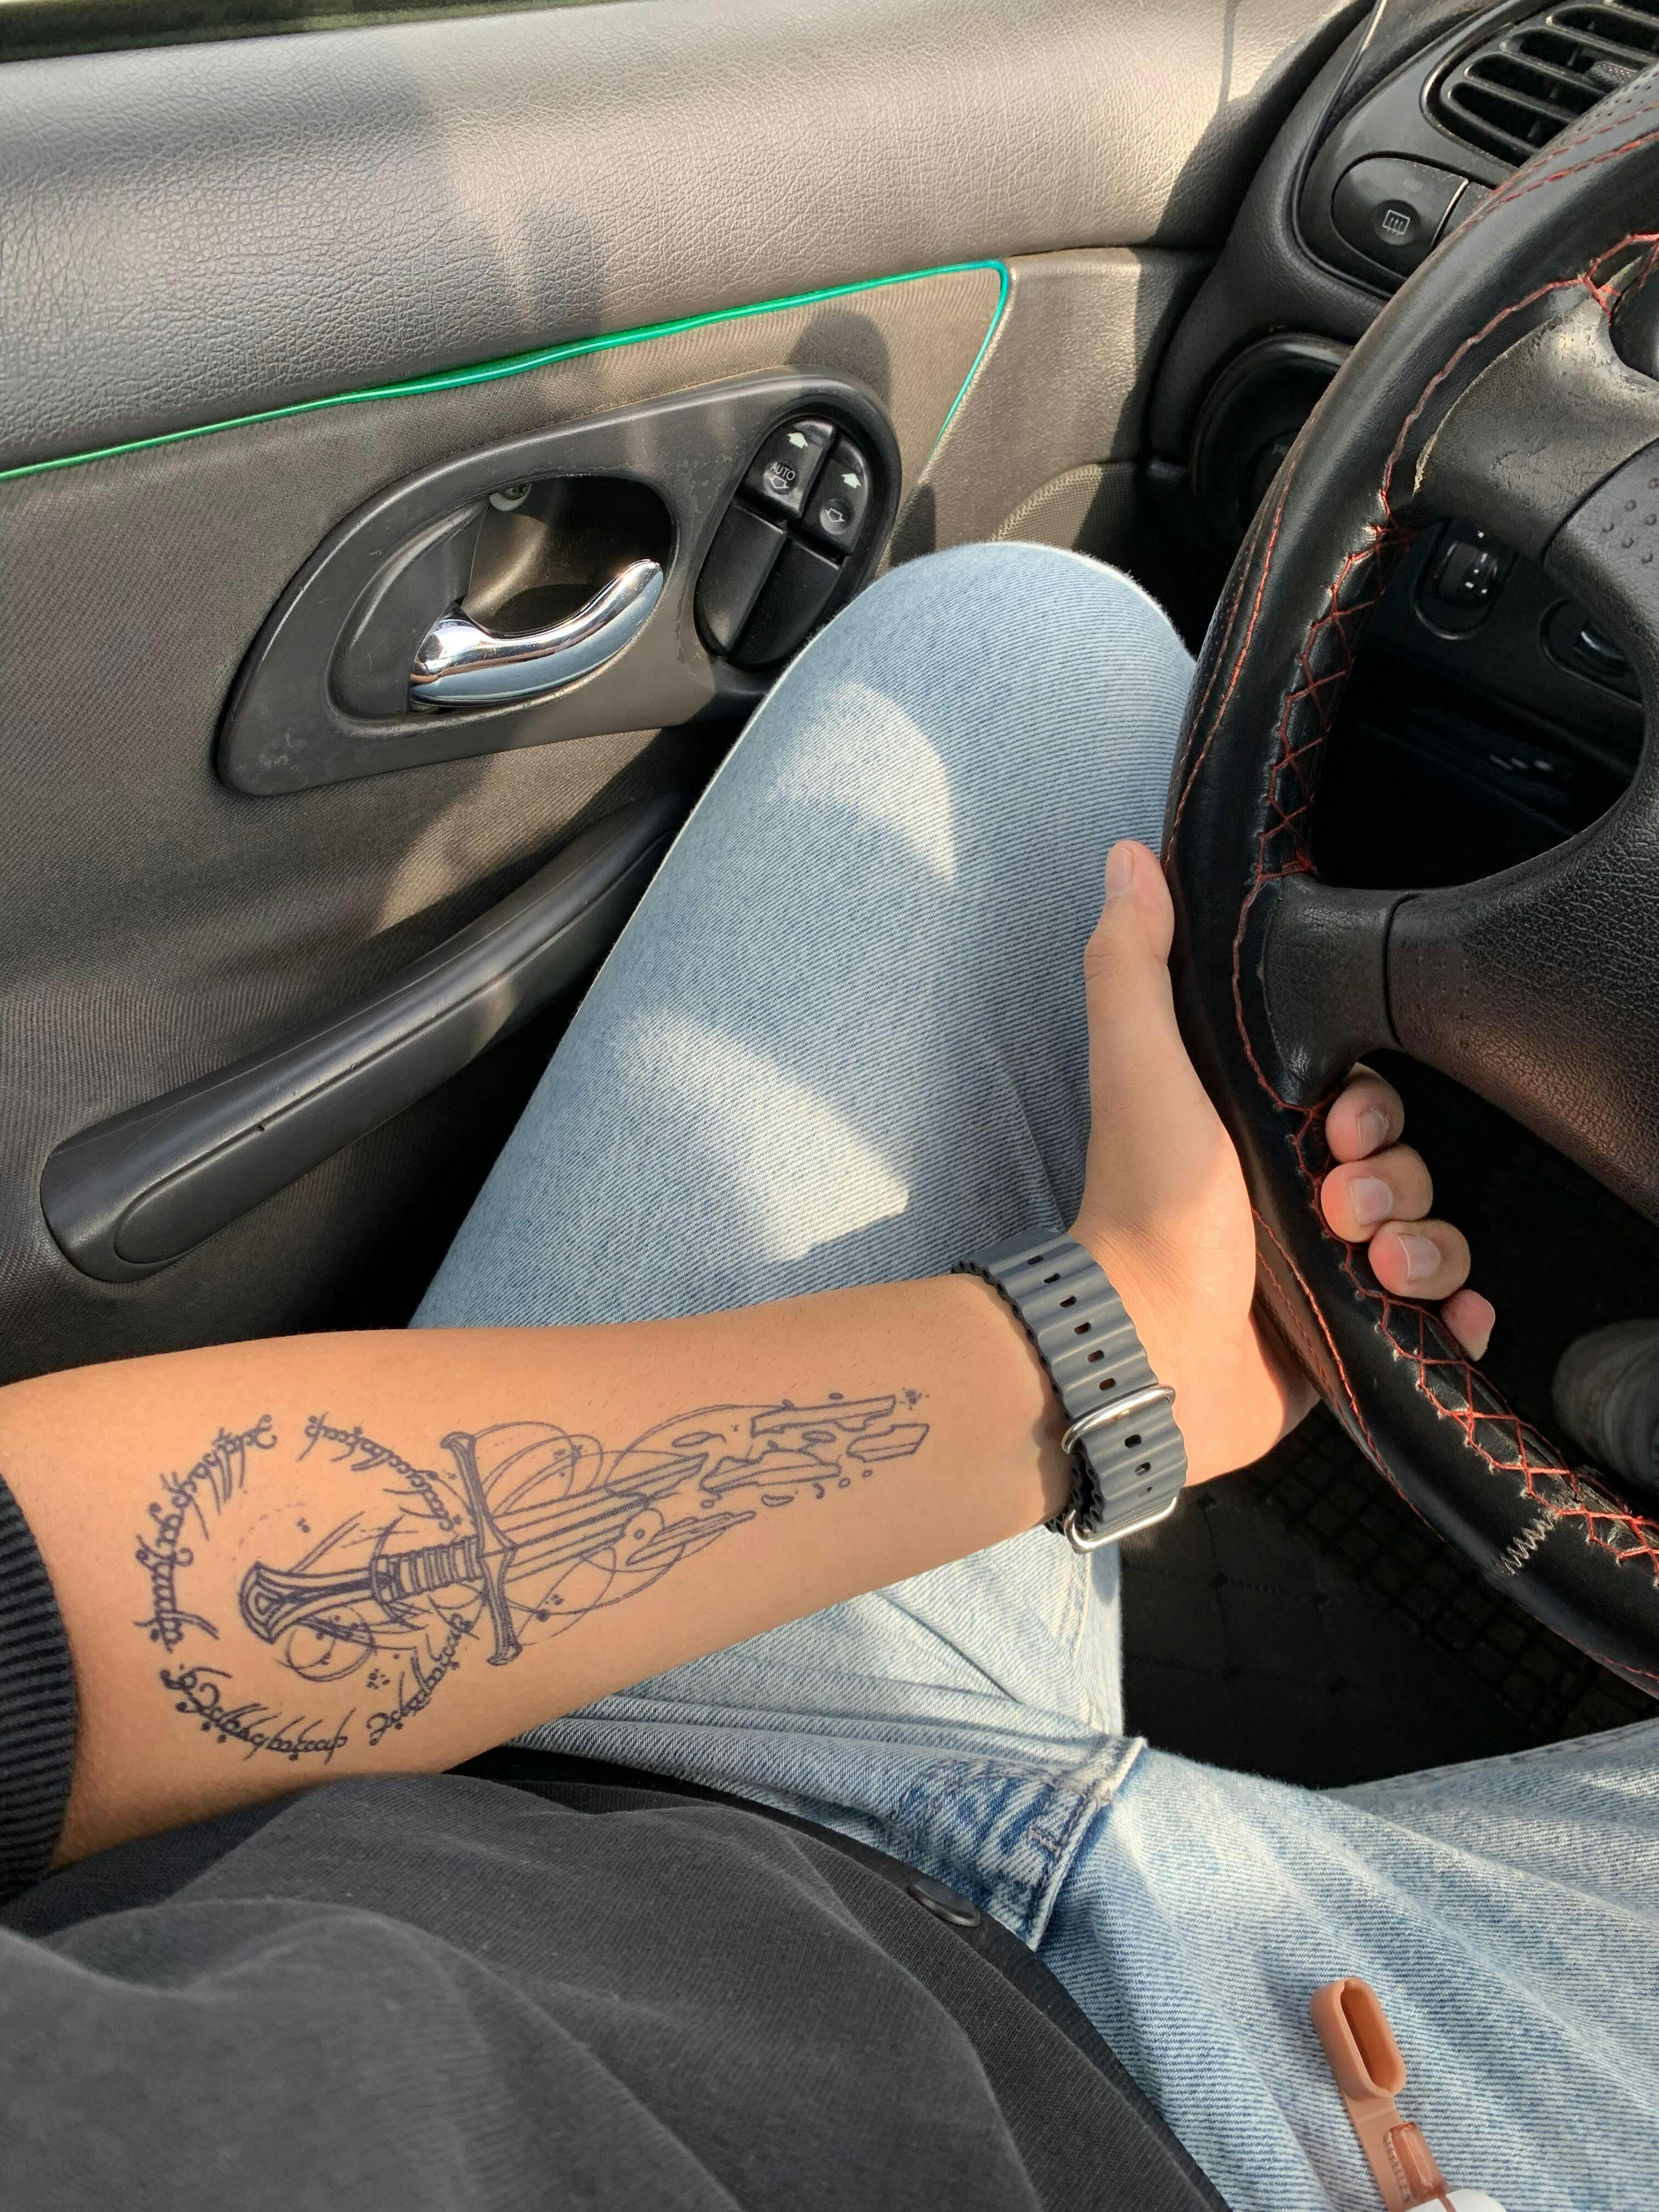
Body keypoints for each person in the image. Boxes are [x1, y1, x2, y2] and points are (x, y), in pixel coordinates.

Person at [0, 545, 1652, 2212]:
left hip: (541, 1804)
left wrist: (1113, 1345)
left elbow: (31, 1634)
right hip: (1246, 2140)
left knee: (1023, 659)